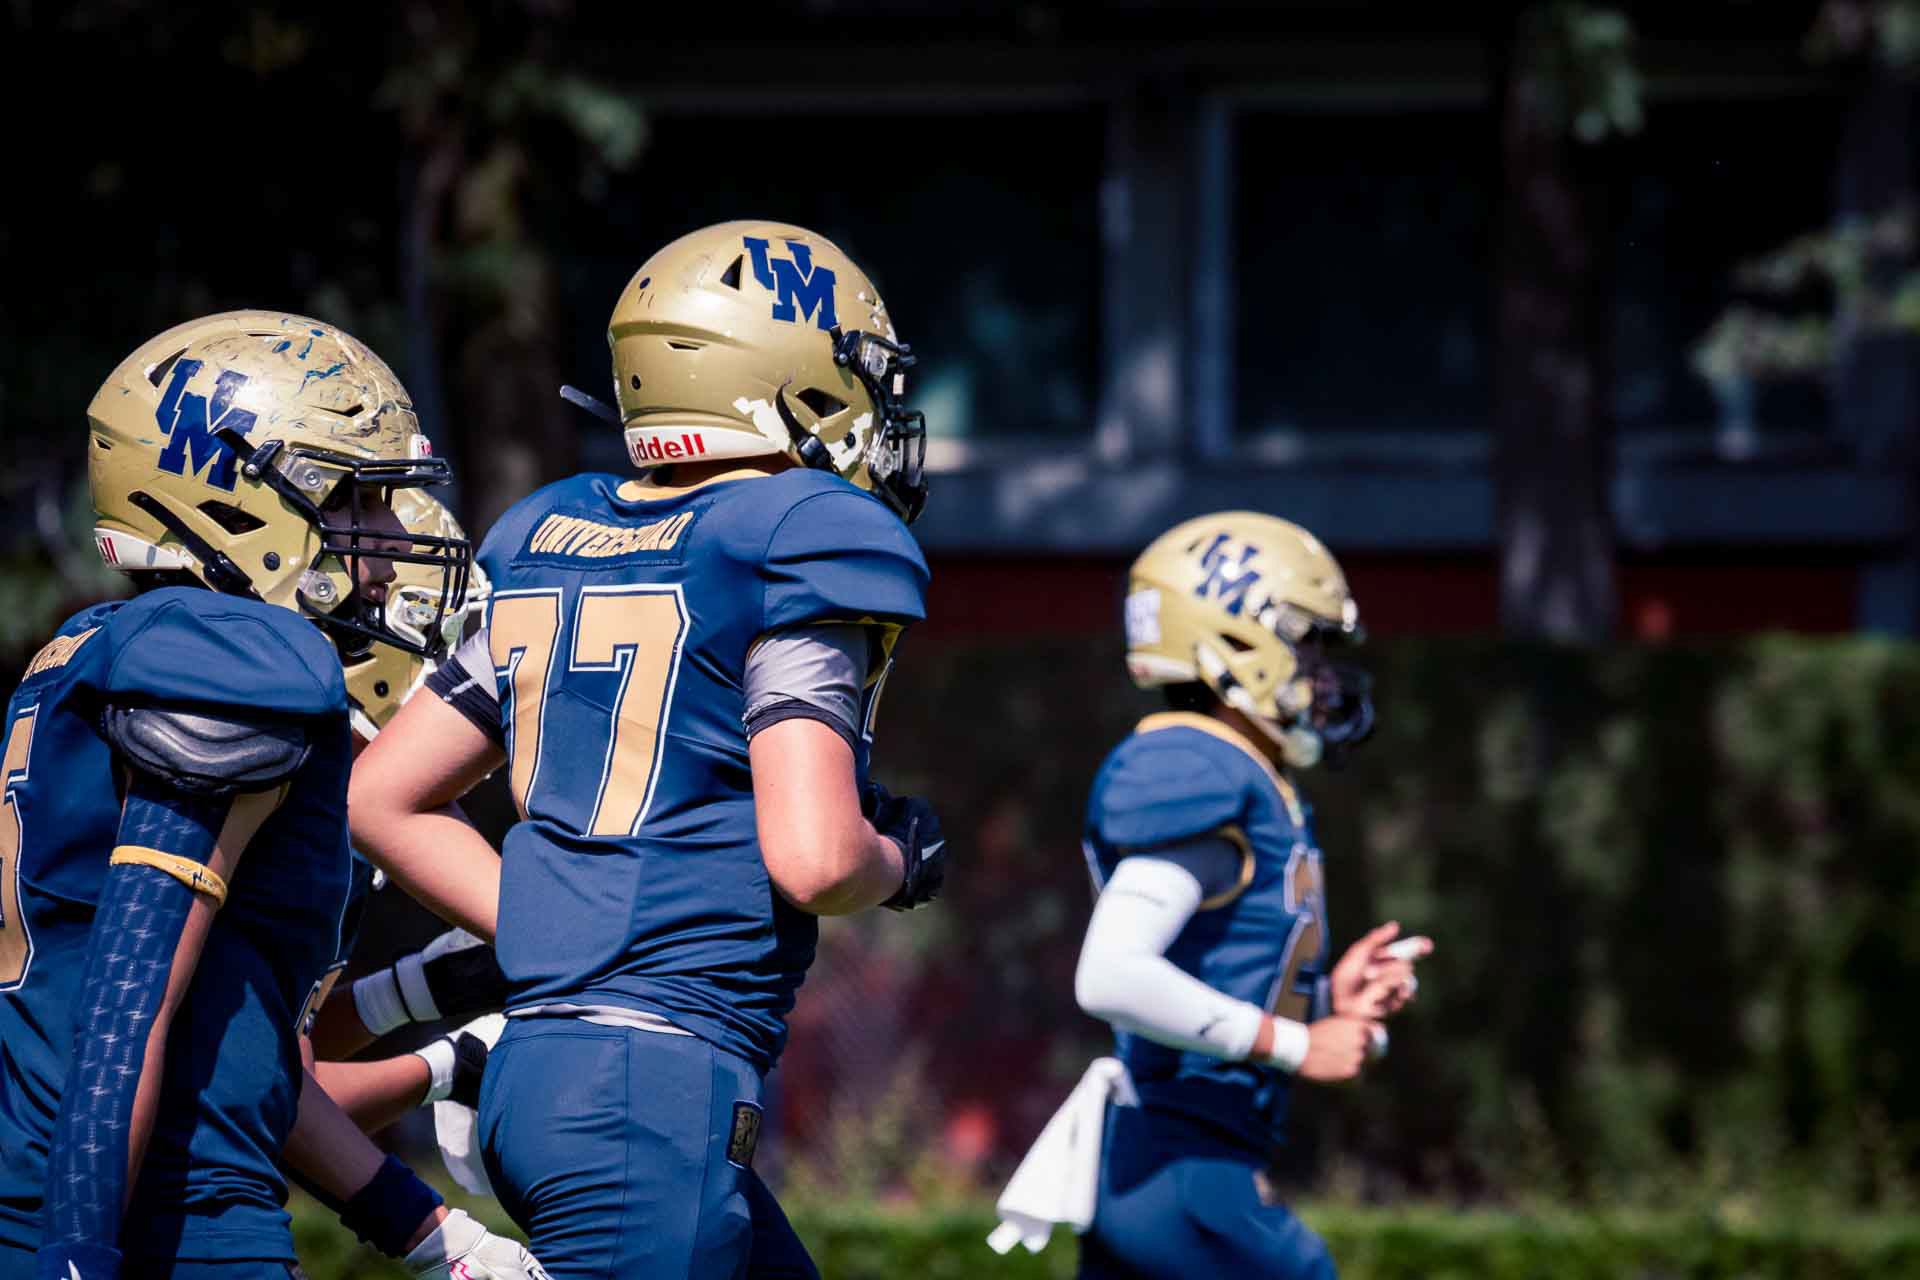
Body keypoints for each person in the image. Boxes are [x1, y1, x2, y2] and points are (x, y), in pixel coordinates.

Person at [349, 220, 949, 1279]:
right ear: (792, 376)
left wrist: (564, 929)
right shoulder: (803, 532)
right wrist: (901, 859)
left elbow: (381, 797)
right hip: (652, 1087)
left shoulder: (549, 534)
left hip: (544, 1066)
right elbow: (815, 857)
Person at [0, 312, 547, 1279]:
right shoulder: (234, 656)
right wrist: (78, 1253)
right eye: (358, 500)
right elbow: (131, 1004)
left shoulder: (84, 650)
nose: (388, 542)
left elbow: (238, 1058)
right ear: (239, 502)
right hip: (162, 1224)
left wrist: (441, 1241)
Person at [1001, 512, 1431, 1279]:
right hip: (1181, 1168)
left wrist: (1323, 1001)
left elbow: (1212, 973)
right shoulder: (1195, 769)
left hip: (1179, 1166)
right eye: (1307, 645)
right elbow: (1111, 974)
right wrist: (1298, 1044)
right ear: (1238, 643)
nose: (1321, 673)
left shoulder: (1249, 773)